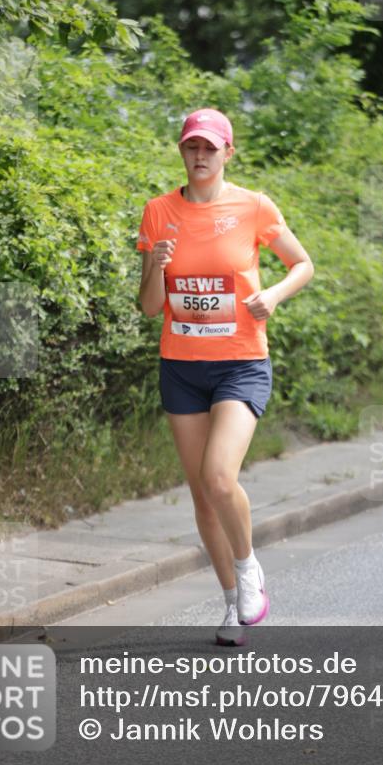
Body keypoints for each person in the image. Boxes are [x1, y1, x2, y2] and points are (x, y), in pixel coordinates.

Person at [136, 108, 314, 645]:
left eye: (210, 148)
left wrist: (273, 296)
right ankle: (234, 604)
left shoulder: (253, 207)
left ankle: (249, 567)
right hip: (182, 369)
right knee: (200, 494)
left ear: (228, 153)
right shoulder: (157, 213)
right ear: (181, 151)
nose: (200, 156)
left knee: (219, 477)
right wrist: (156, 265)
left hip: (240, 362)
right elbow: (148, 308)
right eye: (192, 146)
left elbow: (302, 264)